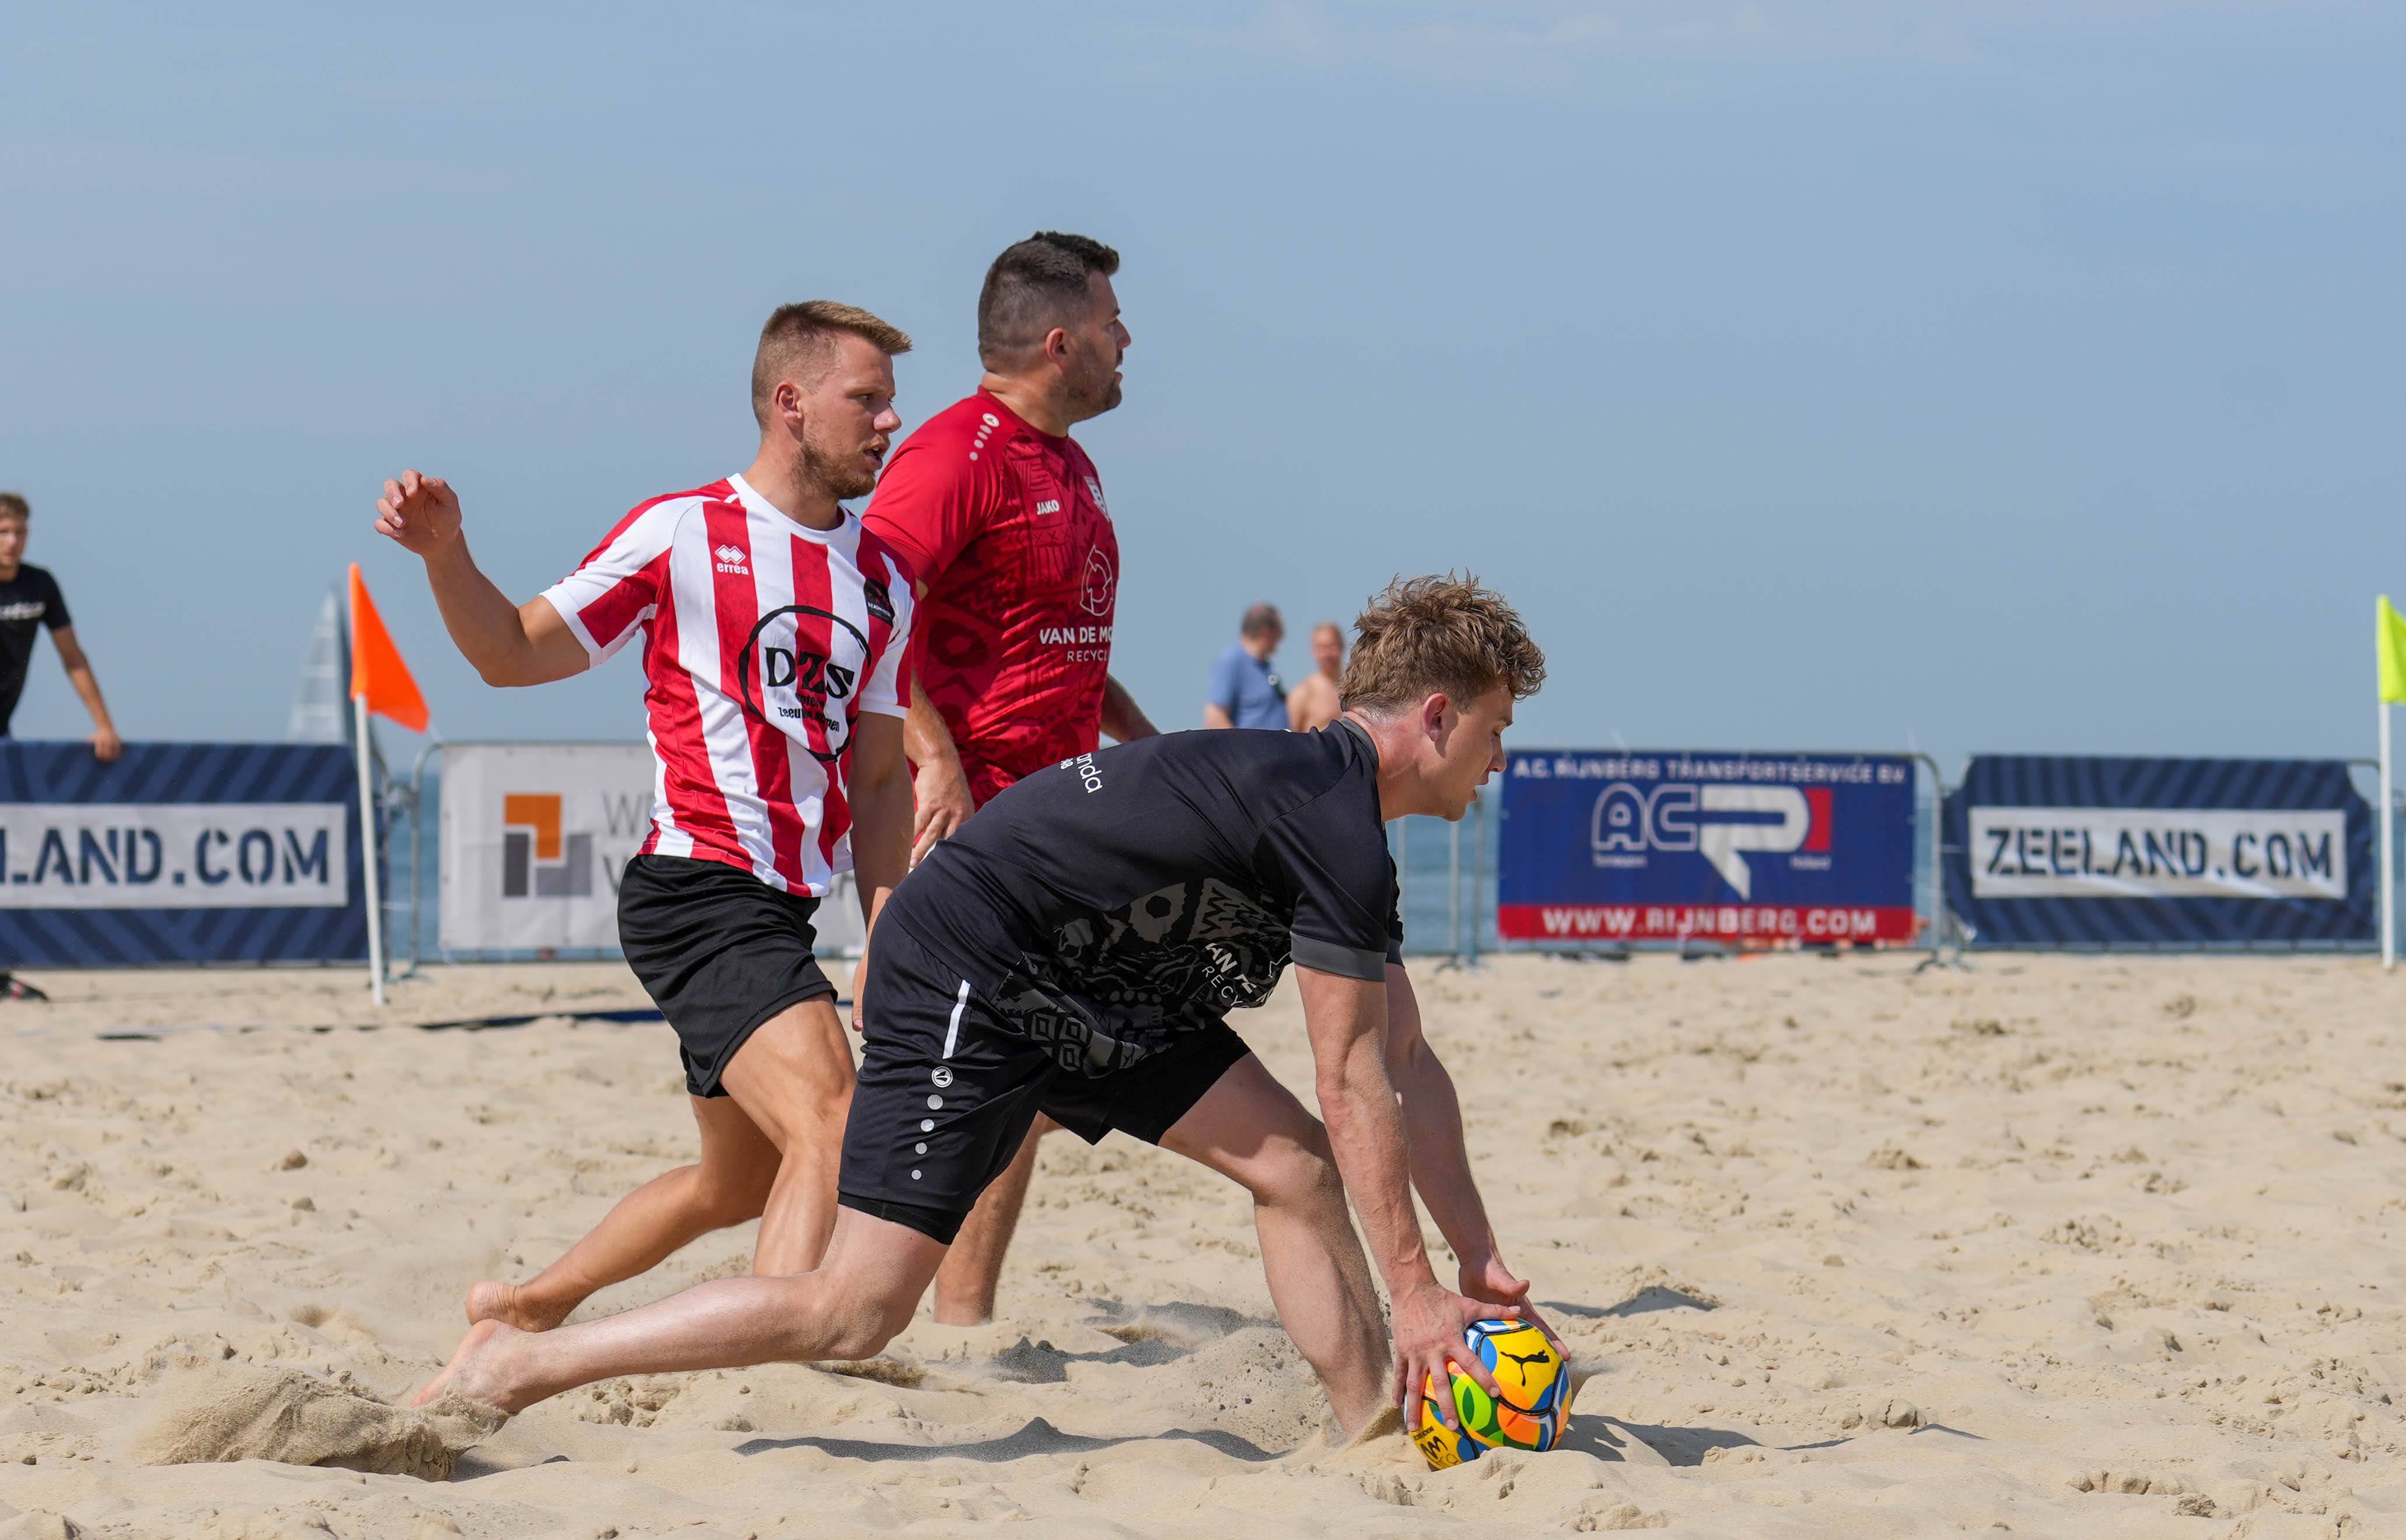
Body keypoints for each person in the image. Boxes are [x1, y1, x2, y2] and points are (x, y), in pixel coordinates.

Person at [412, 574, 1555, 1450]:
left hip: (1095, 983)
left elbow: (1403, 1058)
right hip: (971, 959)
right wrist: (1413, 1290)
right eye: (1498, 732)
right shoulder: (1330, 818)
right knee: (855, 1311)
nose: (1498, 764)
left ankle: (1365, 1435)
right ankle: (515, 1369)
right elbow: (1355, 1080)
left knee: (1296, 1170)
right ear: (1440, 716)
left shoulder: (1330, 811)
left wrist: (1479, 1254)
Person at [372, 301, 918, 1329]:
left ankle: (531, 1305)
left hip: (786, 907)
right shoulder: (682, 531)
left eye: (891, 402)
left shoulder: (883, 579)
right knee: (834, 1124)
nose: (890, 422)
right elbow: (511, 654)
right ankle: (771, 1373)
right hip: (700, 889)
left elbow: (883, 785)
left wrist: (887, 931)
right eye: (868, 400)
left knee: (736, 1183)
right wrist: (447, 554)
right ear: (790, 403)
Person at [861, 231, 1161, 1326]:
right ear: (1056, 341)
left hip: (1058, 817)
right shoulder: (954, 455)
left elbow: (1057, 636)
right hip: (969, 821)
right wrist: (934, 756)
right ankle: (912, 1315)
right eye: (1110, 323)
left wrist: (1140, 736)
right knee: (962, 1080)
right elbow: (869, 611)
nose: (1125, 340)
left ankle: (961, 1321)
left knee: (1024, 1079)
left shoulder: (1070, 460)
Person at [0, 491, 123, 1002]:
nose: (12, 542)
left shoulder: (39, 584)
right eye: (3, 532)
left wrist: (103, 724)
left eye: (19, 532)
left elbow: (72, 656)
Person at [1204, 603, 1287, 729]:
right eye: (1280, 632)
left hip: (1273, 747)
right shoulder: (1232, 661)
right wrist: (1238, 748)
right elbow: (1215, 715)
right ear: (1266, 631)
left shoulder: (1264, 666)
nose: (1282, 638)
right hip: (1251, 748)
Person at [1288, 620, 1345, 733]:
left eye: (1332, 646)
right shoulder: (1303, 693)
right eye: (1321, 648)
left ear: (1342, 646)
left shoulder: (1355, 689)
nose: (1327, 654)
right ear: (1313, 651)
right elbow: (1289, 741)